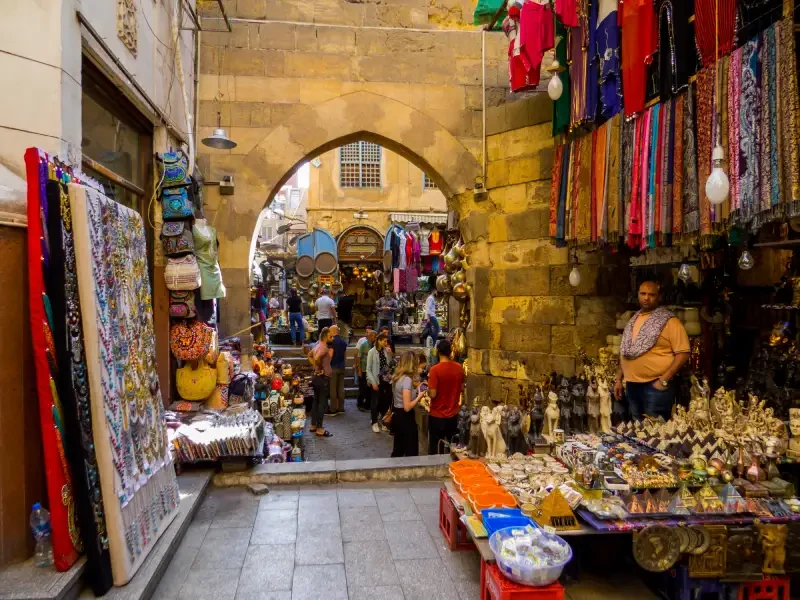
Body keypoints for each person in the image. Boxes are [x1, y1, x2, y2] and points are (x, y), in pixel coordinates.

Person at [614, 280, 690, 421]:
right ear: (638, 295)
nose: (646, 298)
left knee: (656, 434)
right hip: (632, 385)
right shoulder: (633, 320)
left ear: (659, 297)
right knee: (637, 432)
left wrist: (663, 380)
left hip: (655, 386)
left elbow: (683, 353)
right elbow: (625, 351)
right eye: (643, 294)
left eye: (651, 295)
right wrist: (619, 378)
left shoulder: (670, 321)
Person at [427, 340, 465, 454]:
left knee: (435, 448)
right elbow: (462, 388)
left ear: (438, 352)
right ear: (450, 352)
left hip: (437, 415)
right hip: (453, 415)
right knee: (453, 449)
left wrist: (427, 390)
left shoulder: (434, 370)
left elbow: (433, 394)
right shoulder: (459, 368)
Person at [391, 351, 424, 457]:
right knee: (411, 449)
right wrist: (419, 396)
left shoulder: (397, 377)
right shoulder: (406, 380)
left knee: (399, 448)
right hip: (405, 418)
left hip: (397, 415)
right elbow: (407, 407)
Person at [309, 327, 333, 437]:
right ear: (325, 337)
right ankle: (319, 428)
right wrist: (318, 367)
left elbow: (309, 355)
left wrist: (315, 366)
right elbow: (317, 358)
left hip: (316, 377)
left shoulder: (317, 346)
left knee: (316, 401)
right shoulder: (324, 348)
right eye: (330, 336)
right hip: (321, 378)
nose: (332, 338)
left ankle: (313, 425)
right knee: (321, 403)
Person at [366, 332, 393, 433]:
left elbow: (389, 364)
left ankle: (384, 421)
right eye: (384, 341)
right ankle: (374, 422)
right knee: (375, 402)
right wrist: (372, 382)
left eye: (387, 341)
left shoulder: (385, 351)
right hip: (376, 379)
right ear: (379, 341)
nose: (386, 343)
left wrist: (389, 353)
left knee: (385, 401)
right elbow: (368, 369)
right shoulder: (372, 352)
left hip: (386, 379)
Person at [355, 328, 376, 412]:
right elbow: (358, 358)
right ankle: (360, 403)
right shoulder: (363, 345)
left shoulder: (375, 346)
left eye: (375, 336)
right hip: (363, 369)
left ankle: (367, 404)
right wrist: (359, 370)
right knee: (362, 388)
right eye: (373, 336)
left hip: (371, 370)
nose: (374, 338)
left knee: (369, 388)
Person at [328, 325, 348, 416]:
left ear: (332, 331)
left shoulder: (332, 342)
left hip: (333, 367)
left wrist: (327, 365)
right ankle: (341, 408)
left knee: (333, 388)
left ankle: (333, 409)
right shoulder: (343, 342)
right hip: (341, 366)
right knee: (341, 388)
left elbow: (331, 355)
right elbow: (345, 355)